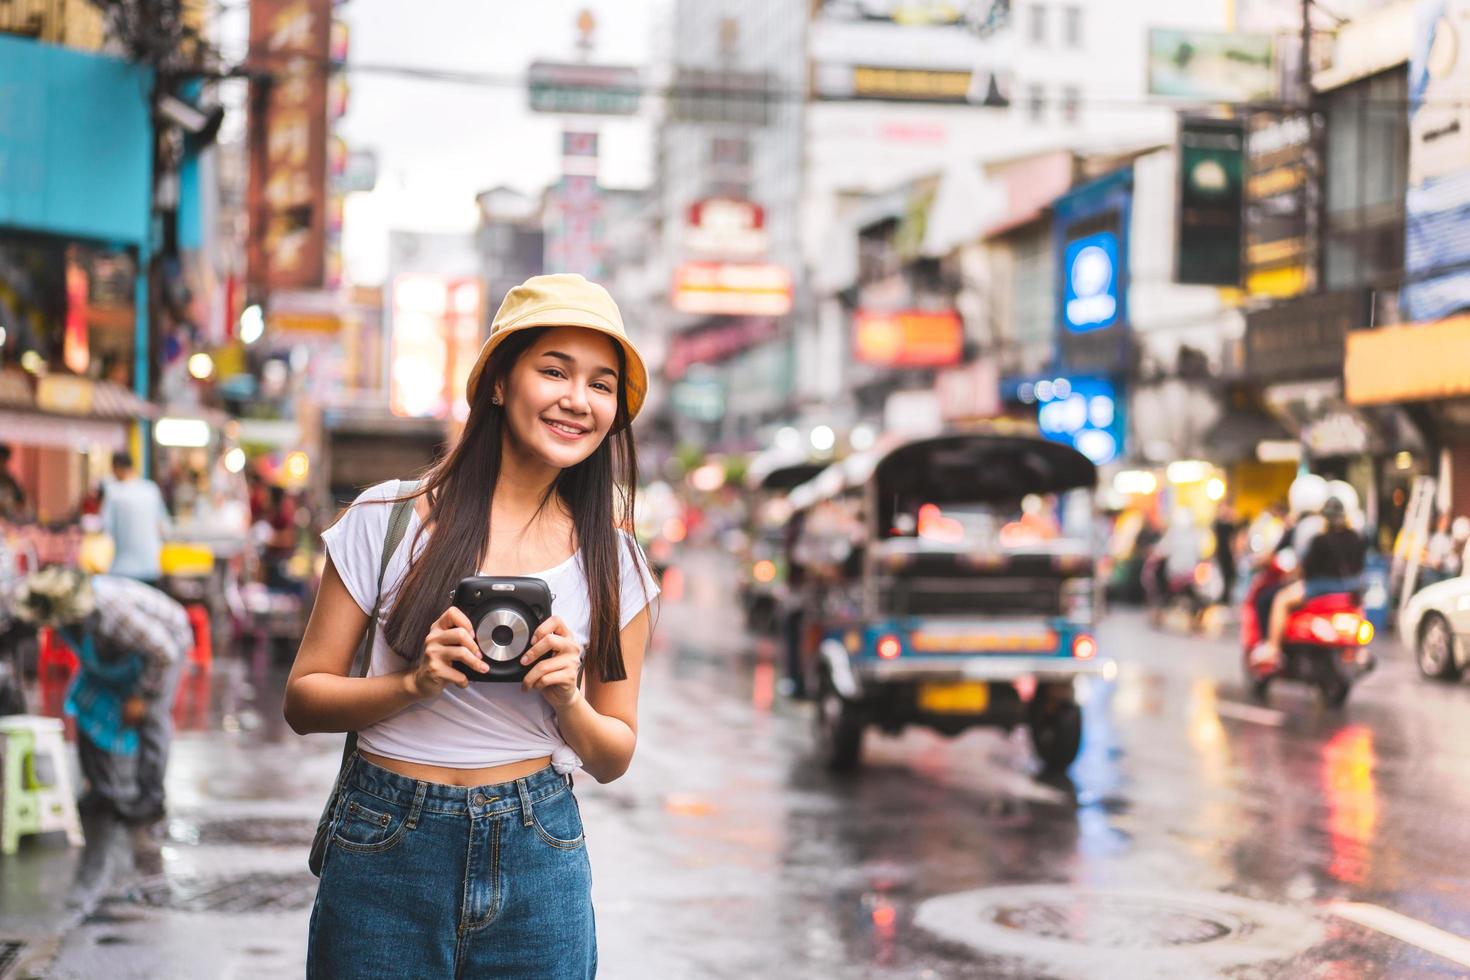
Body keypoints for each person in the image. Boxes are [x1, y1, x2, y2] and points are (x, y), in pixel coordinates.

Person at [285, 274, 659, 979]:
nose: (578, 400)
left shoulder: (617, 561)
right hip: (383, 844)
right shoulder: (386, 518)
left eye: (602, 384)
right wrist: (414, 684)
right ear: (497, 382)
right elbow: (303, 700)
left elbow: (613, 754)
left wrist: (567, 700)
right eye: (554, 370)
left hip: (538, 849)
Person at [12, 566, 190, 824]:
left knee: (151, 719)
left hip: (162, 650)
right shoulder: (70, 616)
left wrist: (141, 696)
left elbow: (163, 652)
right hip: (117, 652)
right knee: (84, 700)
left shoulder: (114, 614)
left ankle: (152, 798)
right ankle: (101, 790)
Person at [1255, 496, 1366, 667]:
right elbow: (1360, 566)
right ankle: (1361, 650)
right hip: (1349, 591)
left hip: (1319, 589)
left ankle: (1273, 647)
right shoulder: (1356, 539)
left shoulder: (1319, 540)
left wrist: (1294, 575)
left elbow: (1307, 568)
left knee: (1281, 599)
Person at [100, 451, 170, 584]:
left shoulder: (113, 493)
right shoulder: (151, 490)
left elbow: (106, 529)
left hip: (122, 570)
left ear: (117, 468)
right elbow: (163, 527)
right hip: (151, 567)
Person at [0, 444, 26, 521]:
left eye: (3, 462)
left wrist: (9, 507)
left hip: (8, 522)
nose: (2, 465)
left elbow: (21, 503)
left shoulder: (11, 481)